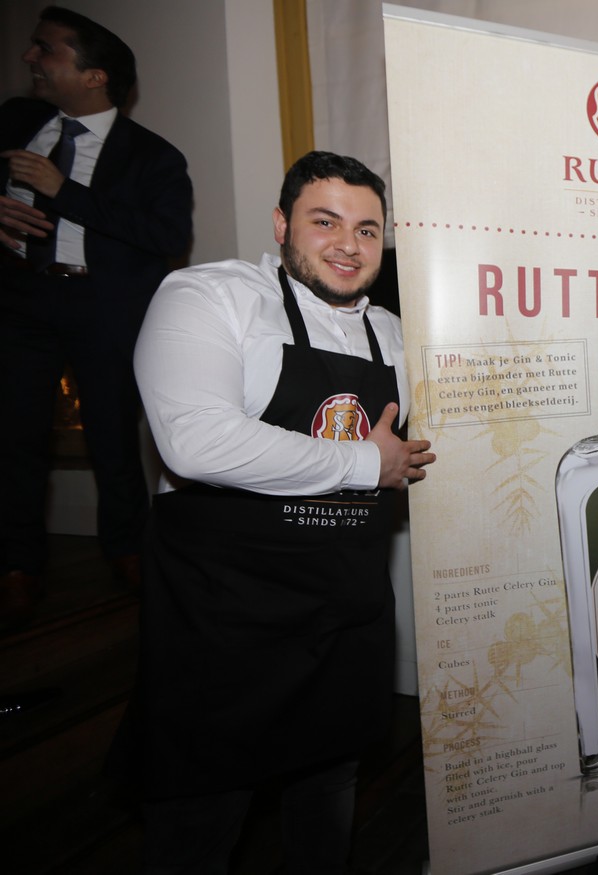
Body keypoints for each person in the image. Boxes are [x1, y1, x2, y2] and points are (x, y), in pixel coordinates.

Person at [117, 151, 434, 873]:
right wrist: (366, 464)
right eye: (325, 222)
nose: (348, 245)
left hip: (344, 608)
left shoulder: (394, 334)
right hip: (226, 615)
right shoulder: (209, 296)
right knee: (201, 812)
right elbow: (197, 441)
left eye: (367, 229)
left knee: (329, 791)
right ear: (281, 224)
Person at [0, 6, 192, 620]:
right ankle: (18, 566)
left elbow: (167, 236)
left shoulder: (154, 157)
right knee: (14, 437)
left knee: (113, 437)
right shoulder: (15, 121)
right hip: (20, 303)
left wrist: (63, 192)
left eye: (47, 48)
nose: (30, 57)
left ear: (95, 75)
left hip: (104, 307)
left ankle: (127, 552)